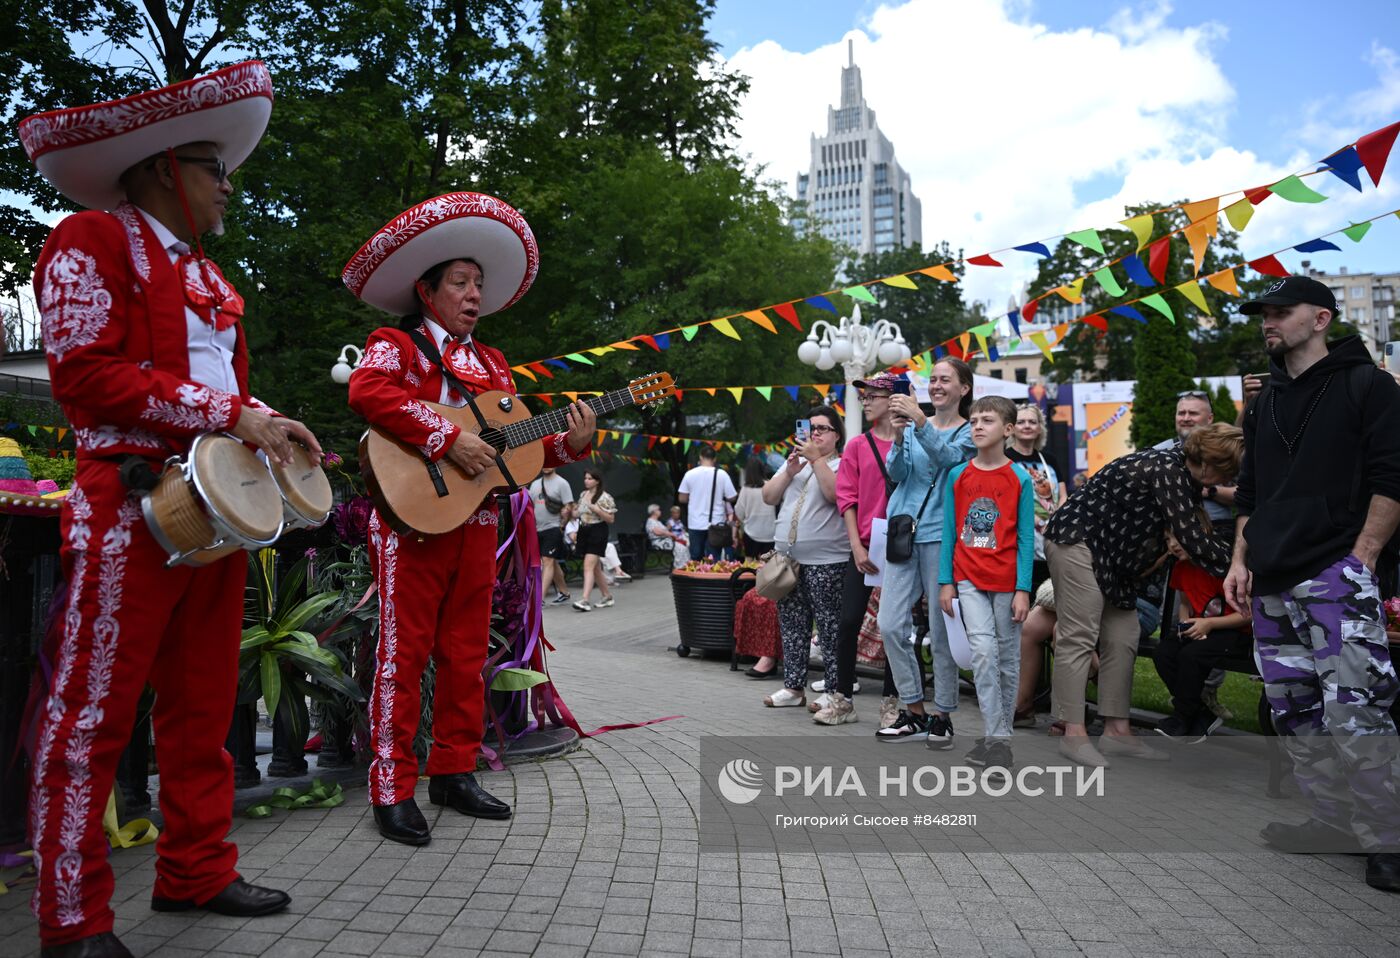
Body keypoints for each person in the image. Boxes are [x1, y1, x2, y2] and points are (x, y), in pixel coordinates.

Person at [21, 62, 323, 956]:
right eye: (211, 167)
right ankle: (70, 920)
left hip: (213, 513)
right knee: (92, 717)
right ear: (160, 168)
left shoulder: (202, 270)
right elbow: (83, 376)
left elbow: (221, 393)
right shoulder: (90, 238)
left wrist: (269, 439)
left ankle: (197, 873)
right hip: (130, 510)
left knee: (203, 706)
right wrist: (235, 415)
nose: (226, 184)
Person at [344, 192, 594, 845]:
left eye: (479, 284)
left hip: (478, 522)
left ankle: (452, 772)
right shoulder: (393, 344)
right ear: (427, 290)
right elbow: (366, 393)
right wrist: (445, 438)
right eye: (460, 282)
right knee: (404, 656)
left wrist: (572, 443)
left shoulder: (493, 364)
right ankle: (391, 787)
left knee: (462, 656)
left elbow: (517, 451)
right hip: (412, 523)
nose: (474, 293)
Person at [1224, 275, 1400, 891]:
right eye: (1263, 313)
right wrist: (1239, 558)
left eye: (1280, 311)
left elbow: (1392, 478)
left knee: (1356, 710)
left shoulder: (1368, 386)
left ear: (1321, 319)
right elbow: (1250, 492)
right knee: (1294, 712)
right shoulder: (1266, 400)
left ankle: (1389, 836)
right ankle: (1333, 821)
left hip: (1335, 574)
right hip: (1270, 576)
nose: (1267, 322)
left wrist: (1363, 558)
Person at [1044, 423, 1239, 768]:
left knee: (1124, 635)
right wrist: (1240, 567)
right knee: (1079, 636)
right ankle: (1072, 733)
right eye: (1227, 473)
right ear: (1209, 465)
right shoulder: (1168, 469)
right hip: (1077, 542)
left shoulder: (1182, 474)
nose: (1227, 481)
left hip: (1114, 560)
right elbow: (1192, 538)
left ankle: (1117, 731)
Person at [875, 362, 974, 745]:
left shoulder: (970, 430)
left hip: (941, 536)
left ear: (963, 388)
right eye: (931, 379)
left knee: (941, 629)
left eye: (944, 380)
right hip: (904, 533)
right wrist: (900, 438)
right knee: (889, 624)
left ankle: (943, 715)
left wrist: (920, 424)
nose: (935, 385)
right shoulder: (916, 425)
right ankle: (913, 710)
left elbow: (950, 460)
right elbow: (897, 474)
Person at [938, 397, 1035, 772]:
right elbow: (950, 533)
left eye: (987, 420)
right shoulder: (958, 476)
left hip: (1008, 582)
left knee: (1008, 660)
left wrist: (1023, 588)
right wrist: (946, 581)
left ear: (1008, 430)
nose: (977, 426)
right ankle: (998, 740)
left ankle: (998, 739)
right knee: (982, 653)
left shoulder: (1019, 478)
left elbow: (1026, 538)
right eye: (974, 420)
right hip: (968, 578)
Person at [817, 372, 901, 725]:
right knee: (848, 620)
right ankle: (842, 698)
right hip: (865, 543)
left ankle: (892, 702)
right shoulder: (856, 445)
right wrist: (856, 546)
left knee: (896, 626)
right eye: (863, 397)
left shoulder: (910, 441)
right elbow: (846, 498)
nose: (866, 402)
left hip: (901, 545)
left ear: (894, 399)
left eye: (874, 396)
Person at [1154, 390, 1236, 719]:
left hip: (1218, 545)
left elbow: (1245, 493)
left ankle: (1207, 693)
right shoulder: (1161, 452)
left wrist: (1208, 489)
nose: (1186, 418)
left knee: (1215, 614)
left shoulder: (1226, 451)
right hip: (1177, 548)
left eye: (1194, 413)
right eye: (1181, 412)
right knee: (1180, 620)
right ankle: (1191, 700)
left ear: (1210, 419)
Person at [760, 407, 845, 708]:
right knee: (793, 625)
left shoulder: (841, 463)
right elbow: (768, 496)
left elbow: (836, 495)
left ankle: (834, 690)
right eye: (811, 429)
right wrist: (789, 472)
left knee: (829, 627)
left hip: (828, 560)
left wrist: (817, 460)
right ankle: (793, 688)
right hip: (788, 560)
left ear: (836, 435)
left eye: (823, 428)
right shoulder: (794, 463)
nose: (816, 434)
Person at [1155, 525, 1250, 742]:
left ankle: (1183, 718)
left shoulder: (1219, 566)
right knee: (1164, 653)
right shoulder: (1181, 568)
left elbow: (1248, 615)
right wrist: (1184, 625)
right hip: (1202, 628)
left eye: (1177, 537)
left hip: (1233, 631)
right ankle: (1201, 714)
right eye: (1167, 539)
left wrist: (1209, 625)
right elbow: (1185, 605)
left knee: (1191, 656)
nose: (1172, 544)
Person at [1004, 403, 1067, 591]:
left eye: (1032, 422)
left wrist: (1056, 520)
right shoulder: (1004, 459)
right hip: (1021, 541)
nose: (1027, 426)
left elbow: (1063, 496)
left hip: (1053, 538)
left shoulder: (1050, 460)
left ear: (1040, 428)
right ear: (1011, 428)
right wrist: (1037, 521)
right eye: (1021, 422)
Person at [678, 445, 738, 560]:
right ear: (714, 459)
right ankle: (712, 578)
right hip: (716, 523)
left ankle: (697, 577)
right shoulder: (722, 474)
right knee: (713, 558)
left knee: (696, 557)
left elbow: (682, 499)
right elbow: (732, 497)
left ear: (700, 457)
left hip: (695, 522)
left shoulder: (689, 474)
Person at [573, 467, 617, 610]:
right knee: (595, 568)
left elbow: (611, 519)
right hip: (584, 530)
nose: (586, 481)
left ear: (597, 481)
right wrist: (571, 512)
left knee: (588, 565)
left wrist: (597, 509)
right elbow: (578, 513)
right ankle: (607, 596)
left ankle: (585, 600)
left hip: (598, 530)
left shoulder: (605, 497)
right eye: (585, 478)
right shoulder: (583, 494)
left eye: (590, 478)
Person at [530, 467, 574, 604]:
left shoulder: (562, 483)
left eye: (550, 463)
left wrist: (562, 525)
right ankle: (564, 591)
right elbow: (530, 505)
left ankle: (539, 599)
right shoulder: (535, 484)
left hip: (553, 527)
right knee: (551, 561)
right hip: (537, 529)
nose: (547, 466)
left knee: (548, 560)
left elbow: (569, 506)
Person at [734, 458, 777, 558]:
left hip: (751, 533)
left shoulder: (745, 489)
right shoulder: (771, 485)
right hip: (771, 533)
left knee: (750, 566)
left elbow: (739, 513)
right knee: (768, 567)